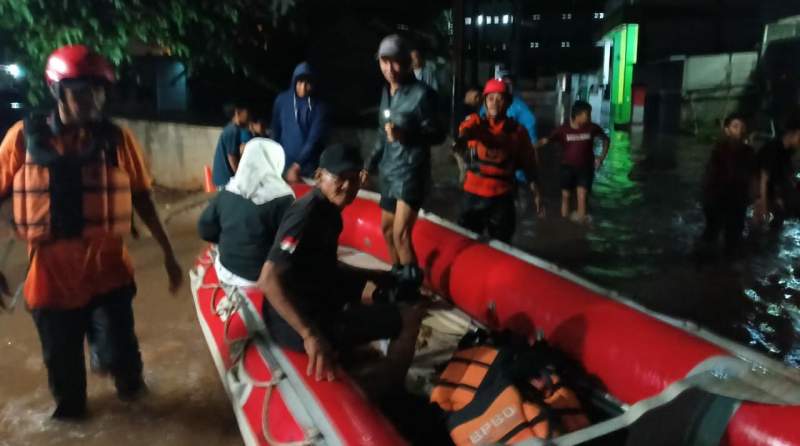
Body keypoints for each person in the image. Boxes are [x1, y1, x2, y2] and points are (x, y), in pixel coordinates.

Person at [0, 45, 183, 419]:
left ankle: (109, 358)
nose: (92, 100)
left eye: (99, 91)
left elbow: (143, 199)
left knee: (130, 382)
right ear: (57, 91)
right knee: (69, 404)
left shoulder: (117, 140)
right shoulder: (21, 140)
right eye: (82, 91)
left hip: (109, 279)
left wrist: (169, 254)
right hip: (50, 287)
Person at [257, 143, 426, 389]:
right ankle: (388, 392)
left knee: (377, 294)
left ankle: (353, 351)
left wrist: (379, 275)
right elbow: (268, 279)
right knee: (409, 317)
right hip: (297, 322)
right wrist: (309, 335)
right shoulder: (306, 213)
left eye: (354, 178)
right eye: (339, 178)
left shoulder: (330, 211)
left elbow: (326, 265)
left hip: (313, 301)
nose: (348, 186)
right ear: (319, 176)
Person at [364, 34, 445, 300]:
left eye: (395, 62)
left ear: (407, 62)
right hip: (389, 171)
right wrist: (368, 165)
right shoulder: (386, 92)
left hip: (411, 173)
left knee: (400, 233)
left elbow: (438, 134)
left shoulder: (422, 95)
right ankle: (398, 274)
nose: (389, 68)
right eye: (384, 62)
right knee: (387, 230)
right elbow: (381, 134)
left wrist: (406, 135)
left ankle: (411, 287)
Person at [454, 79, 544, 243]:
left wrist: (537, 194)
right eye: (490, 98)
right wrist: (462, 139)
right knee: (465, 241)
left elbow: (529, 165)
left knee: (502, 243)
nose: (494, 103)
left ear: (508, 103)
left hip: (502, 197)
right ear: (484, 102)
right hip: (473, 195)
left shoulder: (518, 132)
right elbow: (465, 130)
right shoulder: (475, 123)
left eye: (499, 99)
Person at [198, 138, 295, 286]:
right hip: (261, 278)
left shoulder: (229, 190)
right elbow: (289, 243)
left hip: (225, 269)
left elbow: (204, 229)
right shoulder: (283, 198)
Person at [537, 100, 610, 224]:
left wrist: (601, 157)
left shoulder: (592, 128)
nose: (590, 117)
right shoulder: (562, 130)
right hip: (567, 168)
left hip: (586, 168)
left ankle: (581, 226)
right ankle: (565, 224)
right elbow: (546, 140)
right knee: (566, 196)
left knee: (582, 196)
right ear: (578, 115)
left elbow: (606, 139)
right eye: (588, 114)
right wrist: (532, 146)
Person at [700, 113, 757, 254]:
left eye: (742, 127)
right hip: (718, 199)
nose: (739, 130)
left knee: (733, 239)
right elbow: (711, 178)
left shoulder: (749, 152)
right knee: (711, 234)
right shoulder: (719, 151)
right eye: (735, 126)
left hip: (737, 201)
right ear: (727, 130)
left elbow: (751, 177)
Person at [271, 62, 329, 183]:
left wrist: (297, 165)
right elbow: (276, 130)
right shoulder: (282, 100)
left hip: (308, 166)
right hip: (283, 163)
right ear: (294, 82)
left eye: (308, 83)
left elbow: (313, 140)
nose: (303, 87)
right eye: (300, 82)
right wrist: (273, 158)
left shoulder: (320, 107)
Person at [754, 117, 800, 228]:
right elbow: (763, 179)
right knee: (762, 224)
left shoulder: (788, 150)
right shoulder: (773, 149)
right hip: (760, 189)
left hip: (775, 189)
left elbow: (786, 175)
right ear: (791, 134)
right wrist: (764, 204)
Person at [211, 102, 250, 187]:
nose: (248, 116)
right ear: (238, 112)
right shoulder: (233, 130)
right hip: (225, 179)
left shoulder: (231, 128)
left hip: (223, 178)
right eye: (246, 112)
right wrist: (240, 176)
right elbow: (231, 157)